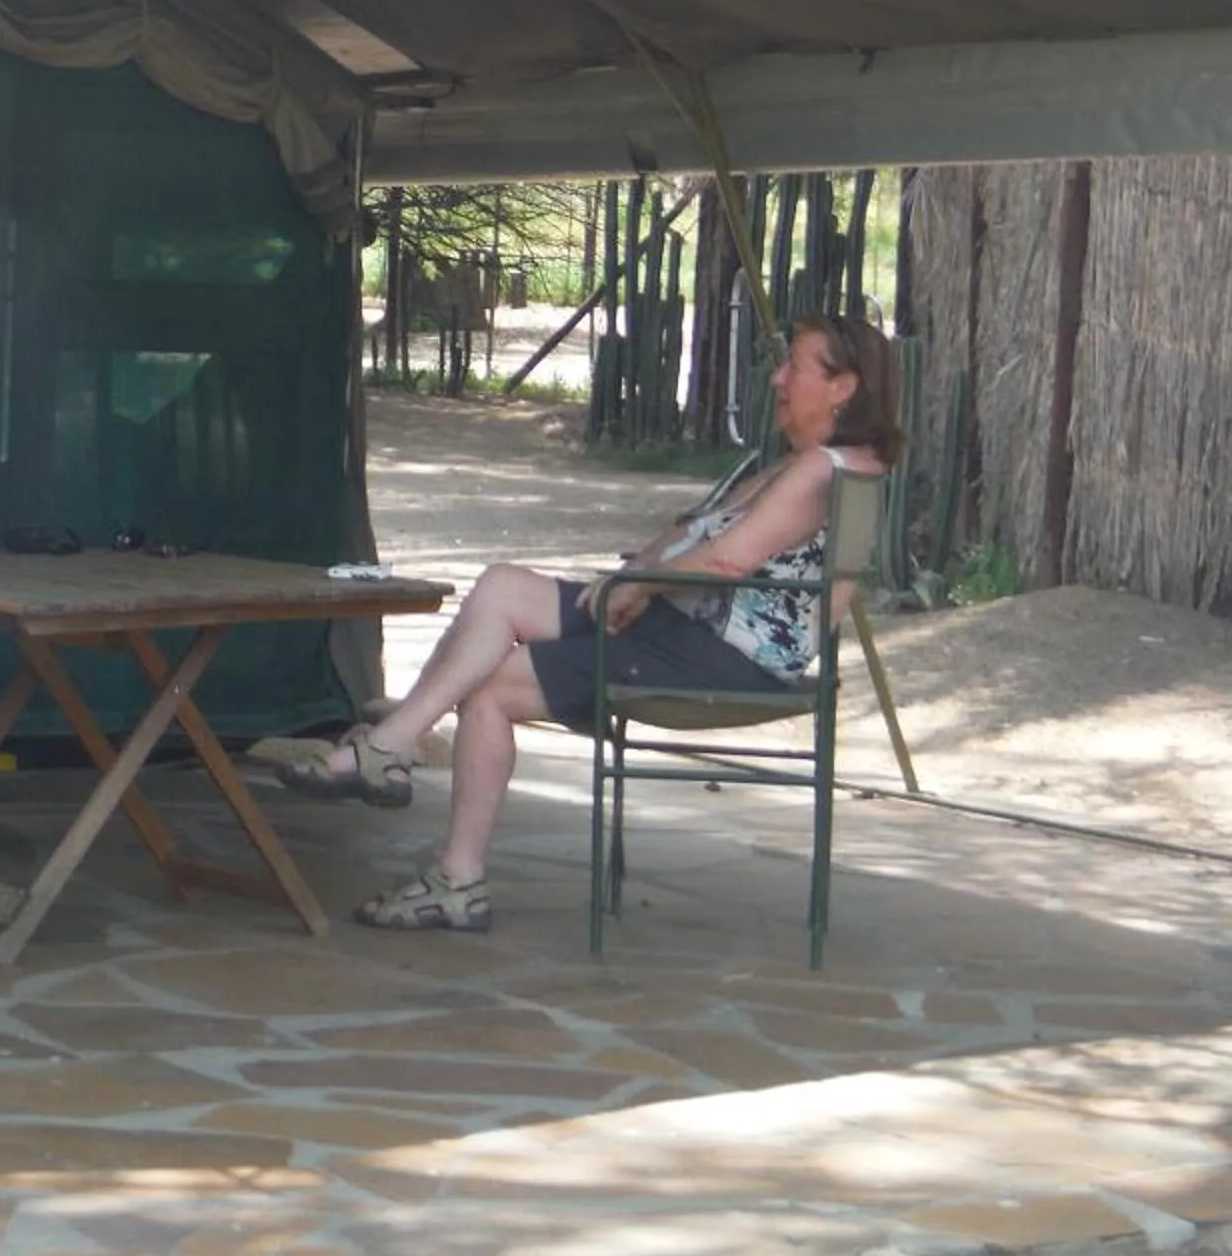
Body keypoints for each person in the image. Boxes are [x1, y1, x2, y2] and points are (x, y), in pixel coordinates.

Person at [279, 314, 900, 933]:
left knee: (493, 690)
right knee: (501, 587)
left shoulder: (825, 469)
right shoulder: (807, 464)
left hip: (715, 654)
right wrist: (631, 580)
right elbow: (691, 533)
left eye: (795, 364)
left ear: (843, 386)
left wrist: (634, 585)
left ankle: (454, 875)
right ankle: (390, 747)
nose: (778, 377)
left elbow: (728, 559)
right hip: (674, 622)